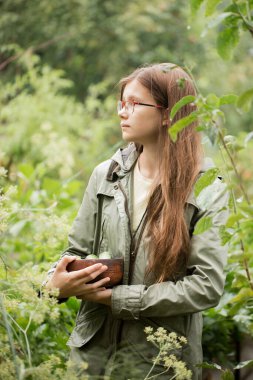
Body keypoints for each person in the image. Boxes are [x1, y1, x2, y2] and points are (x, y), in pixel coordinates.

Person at [45, 63, 229, 379]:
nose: (122, 112)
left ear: (169, 114)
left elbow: (207, 286)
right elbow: (73, 251)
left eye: (134, 103)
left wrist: (119, 299)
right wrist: (55, 284)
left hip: (159, 366)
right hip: (91, 360)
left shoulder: (207, 185)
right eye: (122, 102)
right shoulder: (106, 174)